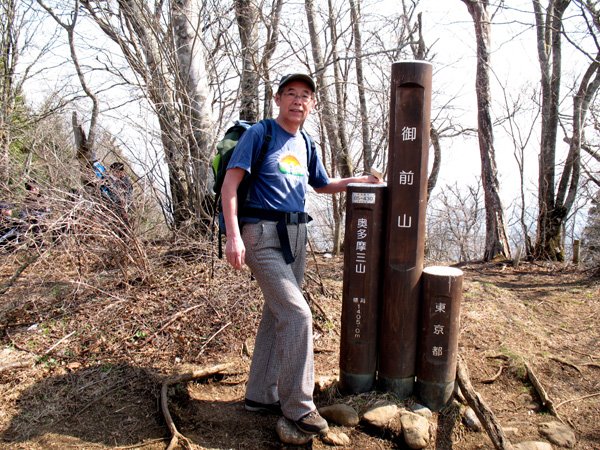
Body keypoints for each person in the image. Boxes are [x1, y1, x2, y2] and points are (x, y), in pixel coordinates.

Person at [221, 73, 382, 436]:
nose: (297, 100)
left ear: (313, 104)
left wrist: (360, 181)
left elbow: (323, 185)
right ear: (277, 99)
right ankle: (298, 407)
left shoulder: (307, 143)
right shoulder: (260, 134)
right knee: (297, 314)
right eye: (290, 93)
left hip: (296, 234)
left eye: (305, 95)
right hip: (260, 232)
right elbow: (230, 185)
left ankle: (261, 395)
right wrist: (234, 236)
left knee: (277, 313)